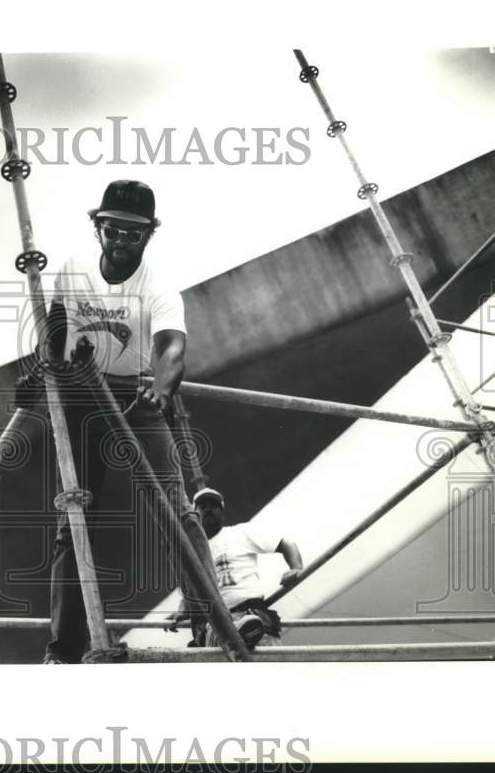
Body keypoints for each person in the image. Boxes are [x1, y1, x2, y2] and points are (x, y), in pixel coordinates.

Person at [37, 179, 222, 664]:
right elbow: (54, 330)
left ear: (148, 236)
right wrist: (46, 369)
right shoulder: (73, 271)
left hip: (138, 395)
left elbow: (172, 348)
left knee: (175, 507)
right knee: (74, 516)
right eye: (113, 230)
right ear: (98, 227)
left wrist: (161, 388)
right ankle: (64, 646)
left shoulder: (158, 286)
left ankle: (210, 619)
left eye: (133, 234)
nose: (121, 241)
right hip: (82, 396)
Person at [168, 490, 304, 648]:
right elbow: (188, 593)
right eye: (202, 506)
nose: (208, 509)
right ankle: (217, 636)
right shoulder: (191, 553)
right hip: (214, 625)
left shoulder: (240, 533)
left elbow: (285, 543)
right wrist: (182, 612)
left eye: (214, 505)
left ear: (222, 512)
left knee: (270, 668)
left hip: (251, 617)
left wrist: (296, 567)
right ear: (194, 514)